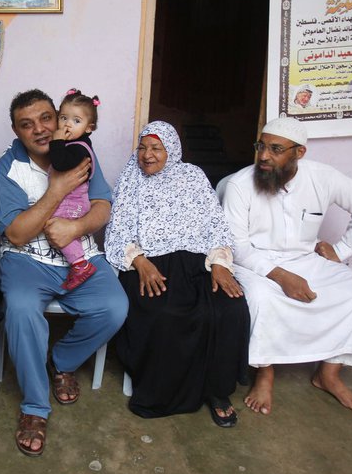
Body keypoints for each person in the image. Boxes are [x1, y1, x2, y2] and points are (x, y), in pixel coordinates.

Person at [0, 89, 128, 457]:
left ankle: (61, 361)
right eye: (26, 124)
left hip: (80, 255)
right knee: (21, 310)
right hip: (27, 259)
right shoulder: (7, 168)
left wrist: (77, 227)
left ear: (58, 116)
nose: (39, 129)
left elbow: (102, 205)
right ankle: (35, 407)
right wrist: (57, 190)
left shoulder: (80, 149)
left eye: (46, 118)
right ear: (16, 131)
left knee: (115, 307)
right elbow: (16, 233)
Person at [219, 116, 352, 416]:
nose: (264, 156)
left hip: (306, 260)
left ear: (299, 153)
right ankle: (265, 372)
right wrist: (282, 277)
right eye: (261, 146)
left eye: (276, 149)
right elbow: (238, 247)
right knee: (262, 299)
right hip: (255, 263)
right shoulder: (240, 185)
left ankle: (328, 374)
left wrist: (342, 251)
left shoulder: (323, 177)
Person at [105, 121, 249, 426]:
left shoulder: (193, 176)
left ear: (171, 149)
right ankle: (163, 394)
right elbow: (117, 231)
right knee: (165, 314)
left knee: (230, 309)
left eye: (156, 148)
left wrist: (220, 264)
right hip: (149, 265)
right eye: (142, 147)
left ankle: (217, 391)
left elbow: (216, 223)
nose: (147, 155)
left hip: (197, 264)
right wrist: (140, 262)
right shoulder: (131, 178)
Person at [48, 89, 102, 290]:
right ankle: (78, 263)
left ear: (89, 127)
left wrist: (56, 140)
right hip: (70, 200)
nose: (67, 124)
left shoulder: (79, 148)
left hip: (73, 202)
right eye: (63, 118)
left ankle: (80, 264)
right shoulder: (76, 144)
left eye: (76, 121)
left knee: (57, 226)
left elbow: (60, 163)